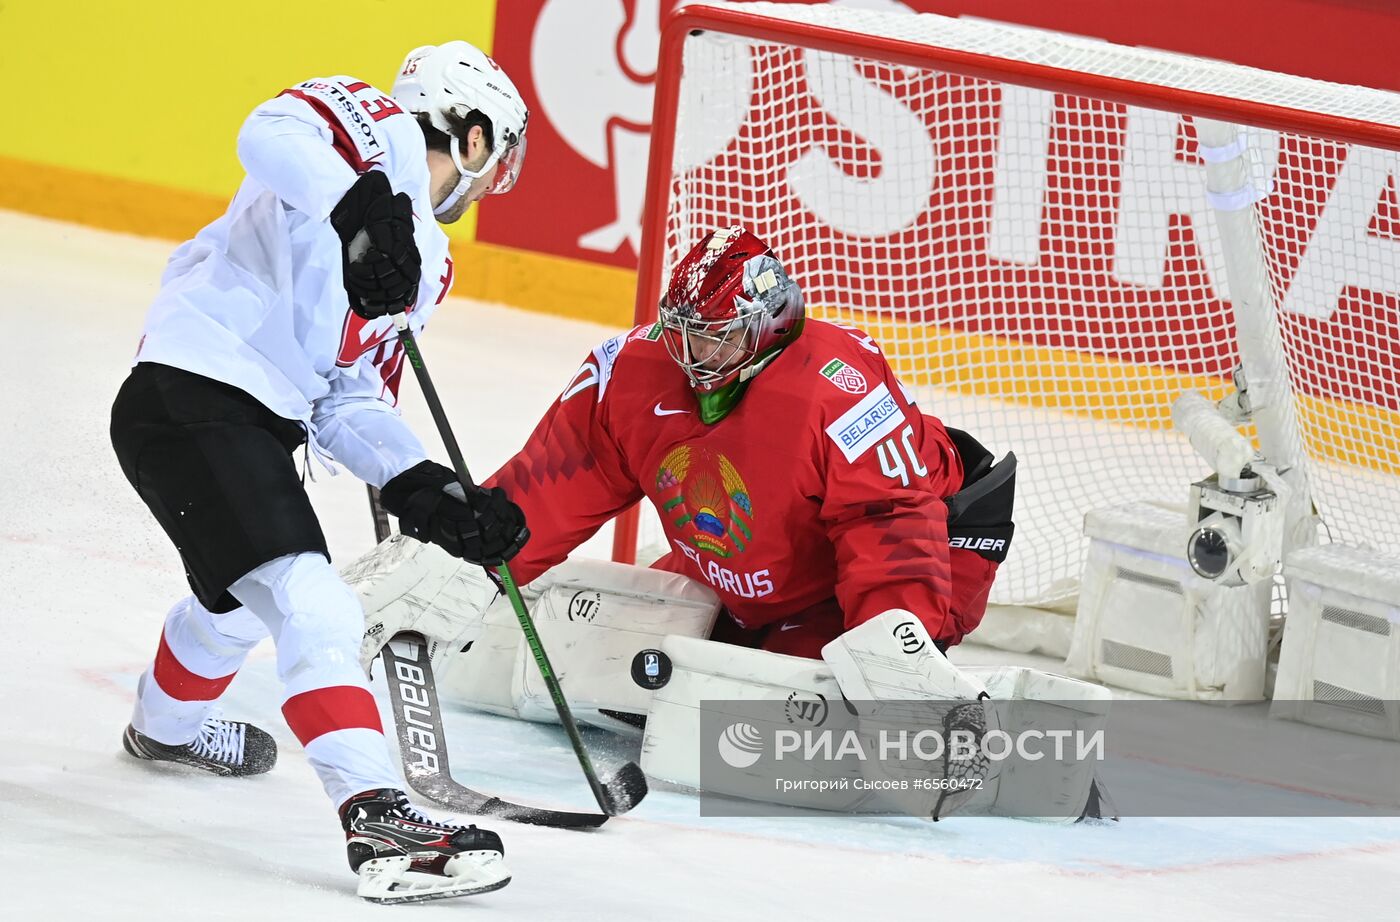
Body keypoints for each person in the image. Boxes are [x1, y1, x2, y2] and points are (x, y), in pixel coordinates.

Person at [109, 41, 531, 903]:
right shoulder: (367, 129)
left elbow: (347, 394)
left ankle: (165, 731)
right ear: (480, 138)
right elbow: (265, 133)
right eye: (496, 165)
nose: (485, 189)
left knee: (232, 604)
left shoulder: (425, 263)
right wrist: (361, 206)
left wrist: (430, 489)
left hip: (254, 423)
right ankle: (378, 818)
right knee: (315, 600)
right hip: (192, 389)